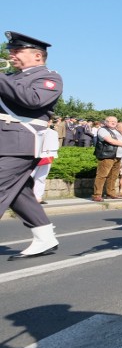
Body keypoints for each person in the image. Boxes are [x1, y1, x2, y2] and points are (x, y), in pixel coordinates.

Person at [0, 32, 63, 259]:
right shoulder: (9, 77)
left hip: (18, 143)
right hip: (5, 142)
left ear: (37, 55)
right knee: (19, 194)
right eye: (11, 50)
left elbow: (33, 100)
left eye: (17, 51)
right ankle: (45, 237)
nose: (11, 54)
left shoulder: (49, 78)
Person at [91, 116, 122, 202]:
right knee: (102, 175)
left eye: (115, 121)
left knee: (113, 176)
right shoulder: (103, 130)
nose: (113, 123)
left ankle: (111, 193)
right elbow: (110, 140)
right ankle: (97, 194)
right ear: (106, 122)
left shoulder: (116, 131)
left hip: (118, 156)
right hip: (107, 155)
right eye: (111, 121)